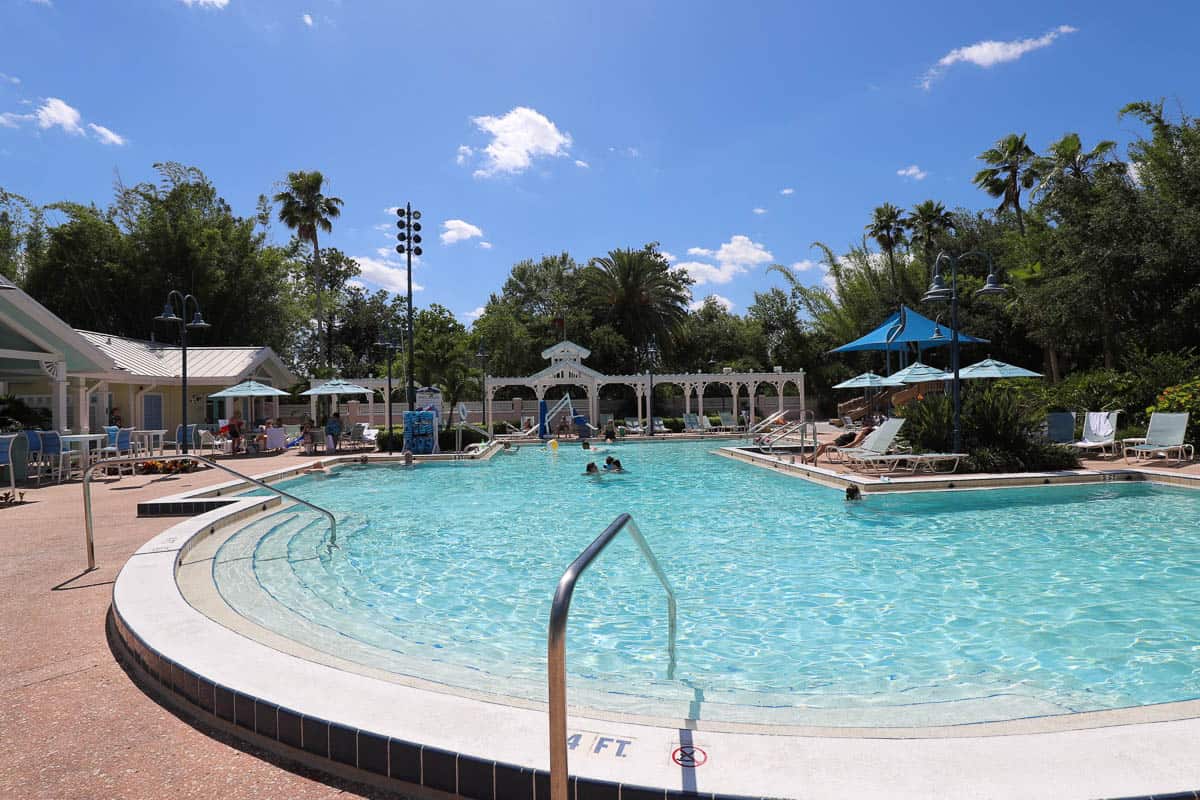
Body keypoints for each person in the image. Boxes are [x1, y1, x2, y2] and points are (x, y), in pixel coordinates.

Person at [808, 423, 875, 465]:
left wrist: (844, 447)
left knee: (823, 446)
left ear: (866, 430)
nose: (863, 427)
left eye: (865, 427)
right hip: (840, 441)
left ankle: (812, 458)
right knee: (821, 445)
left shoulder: (861, 435)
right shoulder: (861, 433)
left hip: (841, 442)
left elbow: (854, 443)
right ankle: (812, 457)